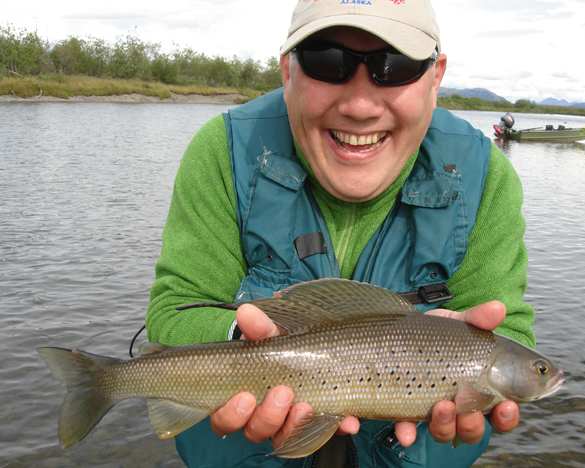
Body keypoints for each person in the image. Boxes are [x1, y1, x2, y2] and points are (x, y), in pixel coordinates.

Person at [145, 0, 536, 466]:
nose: (359, 106)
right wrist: (246, 345)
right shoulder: (223, 151)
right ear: (288, 73)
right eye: (328, 63)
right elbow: (172, 314)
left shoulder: (485, 177)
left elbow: (509, 330)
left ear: (435, 78)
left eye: (396, 67)